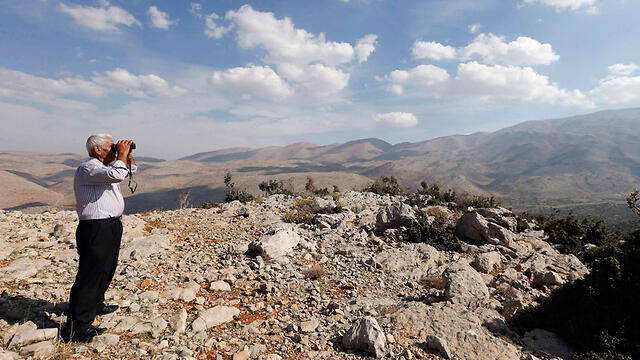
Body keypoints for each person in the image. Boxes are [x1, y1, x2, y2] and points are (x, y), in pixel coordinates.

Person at [61, 134, 137, 342]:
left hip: (110, 225)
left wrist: (127, 155)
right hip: (95, 227)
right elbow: (119, 175)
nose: (114, 149)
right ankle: (77, 327)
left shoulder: (104, 169)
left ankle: (96, 304)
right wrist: (121, 154)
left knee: (106, 268)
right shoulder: (89, 168)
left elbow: (128, 170)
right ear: (97, 149)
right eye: (111, 146)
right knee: (90, 274)